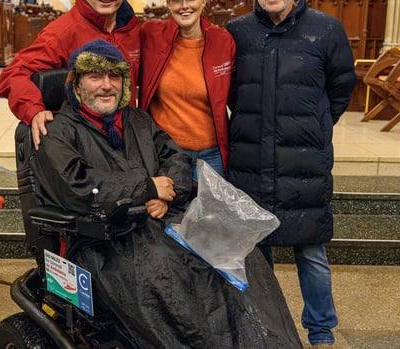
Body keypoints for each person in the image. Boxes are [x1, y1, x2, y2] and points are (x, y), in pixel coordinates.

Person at [32, 39, 302, 348]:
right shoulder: (58, 131)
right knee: (167, 275)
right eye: (95, 76)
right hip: (103, 239)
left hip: (160, 221)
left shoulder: (137, 120)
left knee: (236, 252)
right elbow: (74, 187)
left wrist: (164, 194)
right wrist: (146, 187)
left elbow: (176, 159)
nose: (106, 85)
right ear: (77, 85)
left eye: (114, 76)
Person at [225, 0, 357, 348]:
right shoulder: (237, 32)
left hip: (304, 163)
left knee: (311, 253)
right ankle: (264, 328)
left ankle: (320, 332)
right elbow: (229, 92)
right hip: (251, 161)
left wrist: (312, 128)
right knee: (256, 257)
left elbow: (341, 87)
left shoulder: (326, 30)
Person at [0, 0, 140, 149]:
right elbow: (14, 74)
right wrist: (34, 110)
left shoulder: (134, 29)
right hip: (84, 142)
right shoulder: (63, 31)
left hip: (128, 138)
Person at [140, 0, 235, 182]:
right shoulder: (151, 35)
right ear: (168, 3)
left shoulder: (223, 41)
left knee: (211, 214)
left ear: (204, 0)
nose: (185, 6)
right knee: (170, 213)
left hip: (212, 153)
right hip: (168, 152)